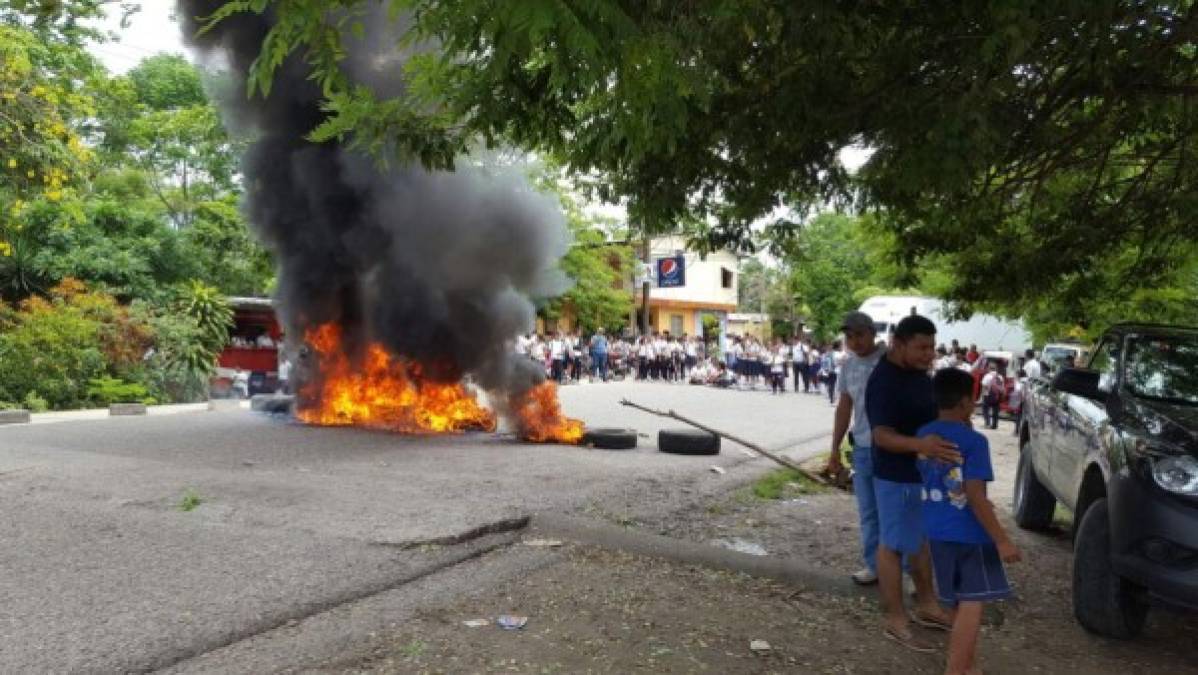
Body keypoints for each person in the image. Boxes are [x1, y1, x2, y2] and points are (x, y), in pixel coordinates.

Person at [917, 368, 1022, 675]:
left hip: (935, 529)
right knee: (973, 604)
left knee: (954, 603)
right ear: (967, 401)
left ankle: (968, 666)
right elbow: (975, 495)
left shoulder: (923, 435)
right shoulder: (974, 442)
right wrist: (1001, 539)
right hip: (970, 535)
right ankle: (956, 670)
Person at [866, 314, 961, 652]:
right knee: (891, 545)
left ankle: (927, 605)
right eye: (921, 347)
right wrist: (921, 446)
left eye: (932, 347)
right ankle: (894, 617)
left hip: (923, 474)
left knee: (921, 541)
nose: (928, 354)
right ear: (898, 344)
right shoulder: (883, 381)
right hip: (894, 475)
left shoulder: (920, 375)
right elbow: (882, 436)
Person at [826, 311, 887, 586]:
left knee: (896, 510)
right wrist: (834, 448)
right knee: (868, 511)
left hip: (893, 448)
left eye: (860, 334)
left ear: (873, 333)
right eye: (849, 336)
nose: (855, 341)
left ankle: (908, 570)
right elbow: (844, 406)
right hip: (862, 446)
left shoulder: (890, 360)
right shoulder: (848, 366)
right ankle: (874, 565)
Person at [980, 363, 1005, 430]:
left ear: (989, 368)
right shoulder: (1000, 376)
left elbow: (984, 386)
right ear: (996, 369)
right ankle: (994, 425)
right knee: (995, 411)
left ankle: (987, 423)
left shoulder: (987, 376)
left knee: (985, 409)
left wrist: (982, 394)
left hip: (988, 395)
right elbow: (1002, 387)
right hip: (997, 396)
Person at [1008, 369, 1026, 435]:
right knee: (1021, 417)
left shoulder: (1019, 382)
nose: (1015, 376)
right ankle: (1018, 431)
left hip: (1020, 401)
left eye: (1016, 374)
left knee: (1018, 417)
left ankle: (1016, 431)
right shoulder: (1026, 381)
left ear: (1019, 375)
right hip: (1024, 401)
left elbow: (1019, 391)